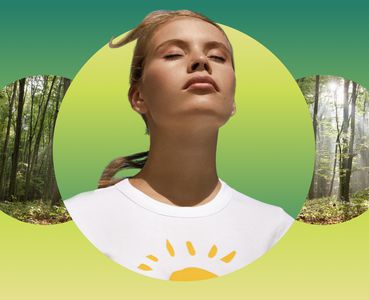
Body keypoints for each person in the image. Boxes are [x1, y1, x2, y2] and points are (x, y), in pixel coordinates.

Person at [64, 10, 293, 281]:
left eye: (218, 57)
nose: (201, 61)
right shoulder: (81, 219)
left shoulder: (274, 229)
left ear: (232, 103)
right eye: (173, 54)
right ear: (139, 97)